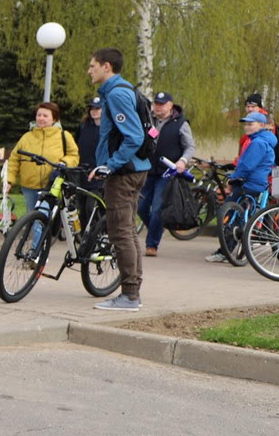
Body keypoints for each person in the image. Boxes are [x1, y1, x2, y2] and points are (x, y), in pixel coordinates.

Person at [87, 48, 149, 310]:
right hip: (133, 170)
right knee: (128, 232)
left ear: (107, 67)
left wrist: (110, 166)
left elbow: (134, 136)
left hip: (124, 173)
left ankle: (130, 296)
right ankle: (132, 290)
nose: (89, 70)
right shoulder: (121, 91)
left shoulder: (117, 94)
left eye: (93, 66)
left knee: (120, 232)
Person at [206, 111, 276, 263]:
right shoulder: (264, 141)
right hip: (257, 183)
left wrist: (233, 179)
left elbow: (247, 165)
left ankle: (225, 252)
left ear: (262, 125)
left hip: (248, 183)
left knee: (231, 215)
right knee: (244, 215)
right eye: (246, 124)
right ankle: (238, 250)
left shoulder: (257, 143)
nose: (247, 127)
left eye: (251, 124)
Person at [138, 91, 193, 256]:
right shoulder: (150, 121)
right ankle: (157, 229)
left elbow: (190, 146)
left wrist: (182, 161)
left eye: (162, 104)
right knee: (140, 208)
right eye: (156, 104)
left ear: (170, 105)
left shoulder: (180, 123)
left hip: (167, 172)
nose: (158, 107)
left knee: (157, 209)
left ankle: (152, 244)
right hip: (148, 170)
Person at [5, 101, 80, 215]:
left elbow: (74, 156)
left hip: (53, 185)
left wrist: (63, 163)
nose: (41, 118)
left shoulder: (64, 136)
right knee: (32, 217)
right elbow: (14, 159)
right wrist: (9, 180)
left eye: (45, 116)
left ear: (54, 119)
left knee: (41, 218)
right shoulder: (26, 137)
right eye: (39, 115)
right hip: (29, 187)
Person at [242, 93, 279, 166]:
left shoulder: (265, 121)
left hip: (261, 165)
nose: (250, 109)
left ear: (259, 108)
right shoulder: (252, 120)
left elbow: (262, 146)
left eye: (253, 106)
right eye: (247, 106)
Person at [76, 96, 103, 173]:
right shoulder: (83, 127)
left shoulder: (110, 129)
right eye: (92, 108)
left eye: (97, 109)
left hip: (99, 170)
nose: (94, 111)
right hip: (82, 169)